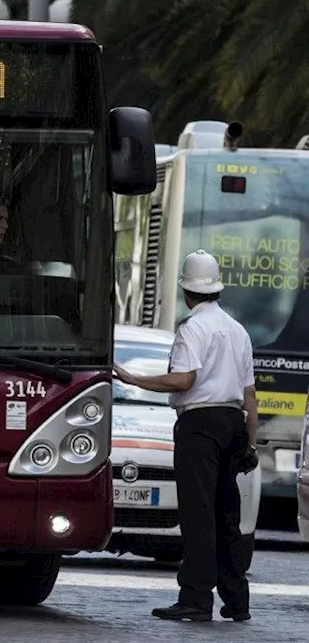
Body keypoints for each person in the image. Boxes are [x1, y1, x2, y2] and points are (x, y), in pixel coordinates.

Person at [114, 249, 259, 623]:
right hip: (233, 425)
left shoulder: (192, 328)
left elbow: (184, 379)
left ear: (186, 291)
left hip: (200, 426)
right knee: (227, 515)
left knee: (198, 514)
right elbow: (250, 397)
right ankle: (236, 600)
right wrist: (252, 443)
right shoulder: (237, 330)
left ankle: (195, 598)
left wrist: (134, 379)